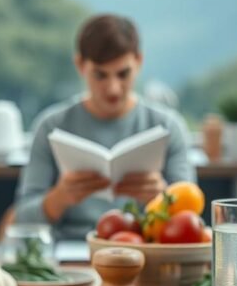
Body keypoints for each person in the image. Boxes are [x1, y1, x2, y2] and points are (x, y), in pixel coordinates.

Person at [14, 14, 195, 239]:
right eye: (100, 75)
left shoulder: (169, 126)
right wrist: (59, 197)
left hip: (144, 251)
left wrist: (162, 198)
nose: (113, 88)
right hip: (69, 257)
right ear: (80, 65)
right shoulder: (50, 126)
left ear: (139, 61)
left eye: (123, 74)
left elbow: (191, 221)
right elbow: (21, 218)